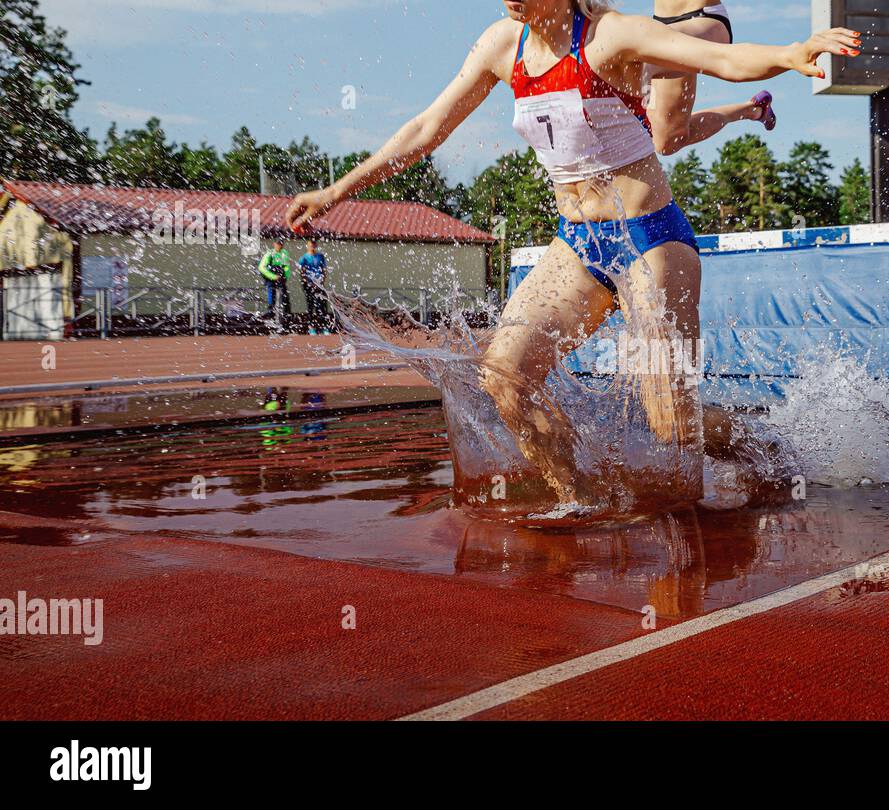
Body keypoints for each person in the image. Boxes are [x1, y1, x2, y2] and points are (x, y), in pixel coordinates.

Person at [286, 0, 858, 500]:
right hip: (577, 245)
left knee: (671, 426)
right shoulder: (500, 44)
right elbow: (426, 128)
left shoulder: (612, 36)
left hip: (650, 239)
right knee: (503, 378)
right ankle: (576, 497)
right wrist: (337, 191)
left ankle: (768, 448)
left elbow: (722, 60)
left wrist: (790, 53)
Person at [648, 1, 776, 156]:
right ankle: (754, 110)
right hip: (661, 26)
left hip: (700, 17)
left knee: (632, 61)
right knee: (666, 142)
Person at [298, 239, 332, 334]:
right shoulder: (303, 258)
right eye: (310, 244)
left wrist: (321, 282)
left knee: (322, 306)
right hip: (308, 285)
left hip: (319, 285)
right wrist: (309, 283)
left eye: (314, 244)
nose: (312, 246)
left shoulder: (320, 256)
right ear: (307, 245)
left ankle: (324, 327)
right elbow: (302, 273)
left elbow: (324, 270)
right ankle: (311, 328)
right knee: (310, 306)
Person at [258, 240, 293, 322]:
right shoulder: (269, 254)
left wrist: (285, 276)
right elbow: (261, 268)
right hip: (271, 278)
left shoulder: (284, 253)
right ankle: (270, 316)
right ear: (274, 244)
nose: (280, 246)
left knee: (285, 298)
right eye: (278, 244)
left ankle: (287, 318)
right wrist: (273, 277)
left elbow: (286, 266)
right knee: (272, 298)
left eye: (281, 244)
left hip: (281, 278)